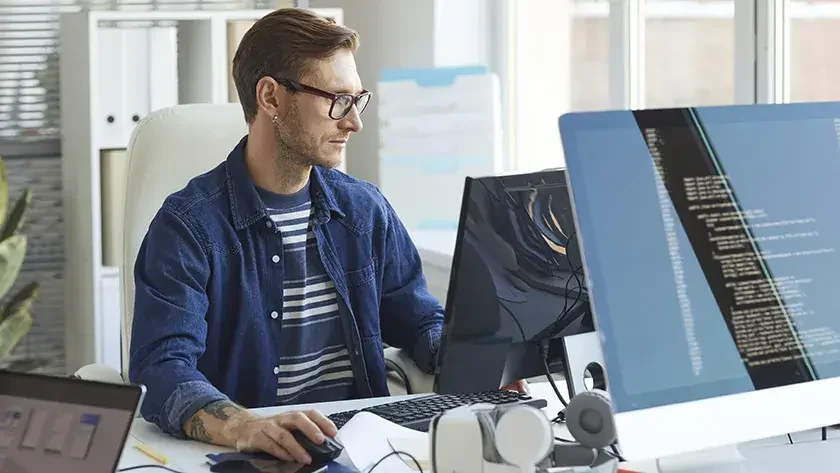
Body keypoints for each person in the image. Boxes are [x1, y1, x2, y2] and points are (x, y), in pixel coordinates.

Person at [129, 7, 525, 465]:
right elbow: (162, 369)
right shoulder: (189, 226)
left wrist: (479, 363)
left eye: (358, 100)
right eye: (338, 100)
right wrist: (243, 424)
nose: (354, 122)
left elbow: (417, 320)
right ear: (271, 98)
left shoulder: (364, 210)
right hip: (253, 456)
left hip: (368, 448)